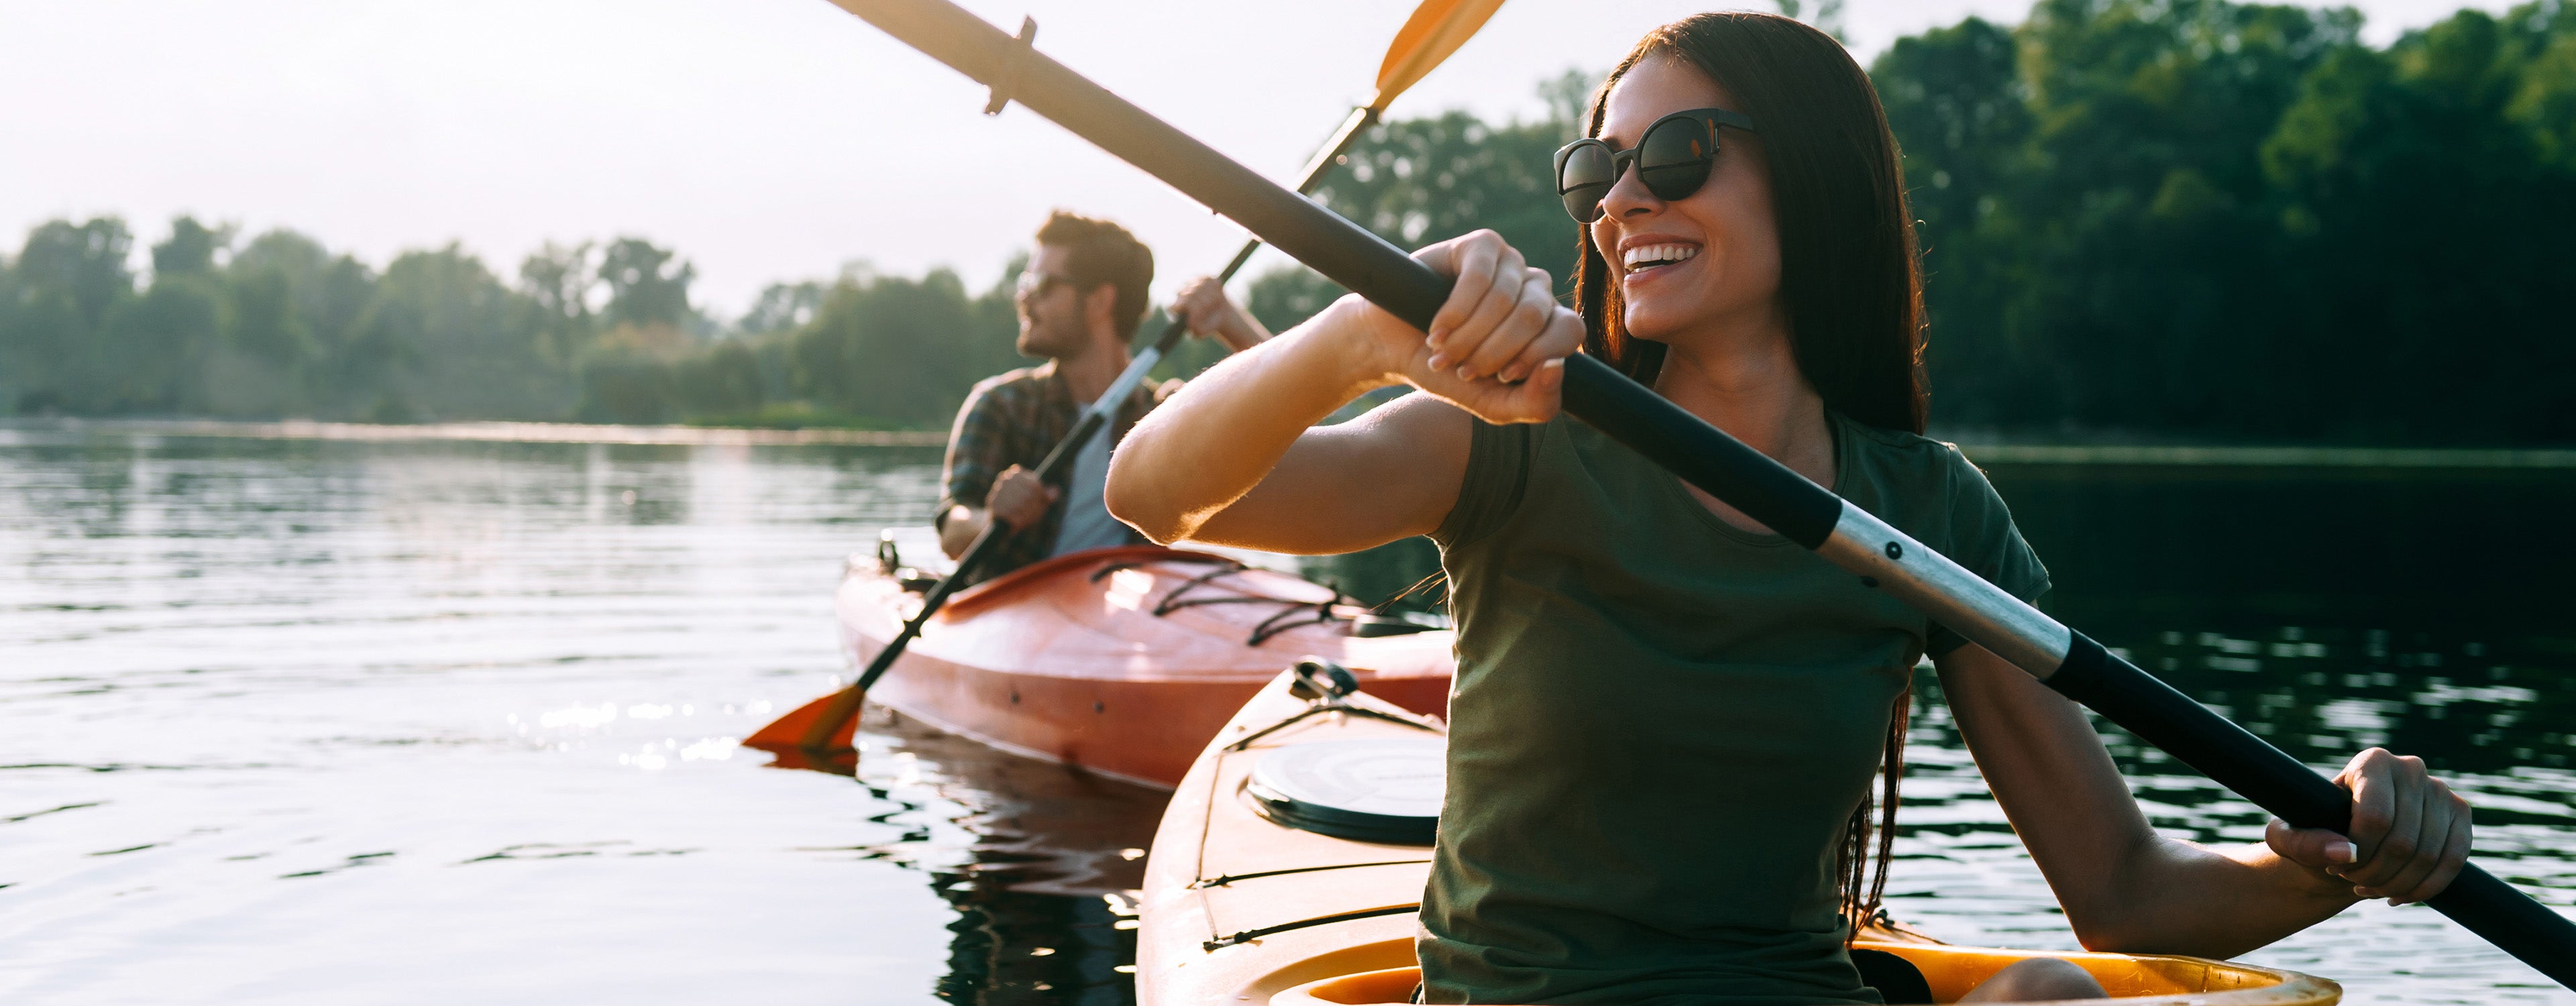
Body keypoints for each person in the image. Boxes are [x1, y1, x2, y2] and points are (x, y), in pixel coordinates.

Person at [1104, 13, 2472, 1005]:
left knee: (2050, 995)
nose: (1625, 199)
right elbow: (1153, 492)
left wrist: (2341, 856)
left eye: (1679, 154)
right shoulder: (1517, 434)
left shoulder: (1929, 514)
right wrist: (1356, 334)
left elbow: (2123, 893)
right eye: (1598, 174)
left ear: (1810, 175)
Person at [936, 211, 1269, 583]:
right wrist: (993, 517)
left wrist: (1232, 324)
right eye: (1025, 281)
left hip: (1123, 620)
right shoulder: (1001, 405)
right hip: (1010, 614)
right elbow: (953, 532)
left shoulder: (1165, 415)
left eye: (1042, 284)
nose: (1024, 298)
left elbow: (1285, 415)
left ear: (1099, 302)